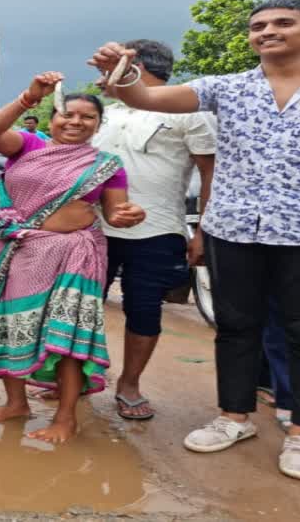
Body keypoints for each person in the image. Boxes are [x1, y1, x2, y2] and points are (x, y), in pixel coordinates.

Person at [91, 0, 300, 479]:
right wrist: (122, 72)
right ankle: (233, 416)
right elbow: (147, 98)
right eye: (258, 25)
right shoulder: (226, 88)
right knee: (236, 328)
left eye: (283, 23)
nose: (267, 31)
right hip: (235, 228)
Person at [0, 74, 144, 444]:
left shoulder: (107, 165)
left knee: (67, 337)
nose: (76, 122)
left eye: (87, 117)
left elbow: (115, 213)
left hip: (76, 257)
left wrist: (128, 215)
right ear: (52, 119)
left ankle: (66, 418)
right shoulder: (29, 146)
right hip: (23, 252)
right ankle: (16, 403)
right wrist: (28, 96)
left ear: (99, 125)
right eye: (68, 114)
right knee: (12, 324)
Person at [89, 39, 216, 420]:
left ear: (134, 66)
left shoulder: (188, 111)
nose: (101, 74)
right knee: (81, 305)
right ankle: (76, 376)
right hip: (92, 228)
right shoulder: (104, 113)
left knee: (143, 311)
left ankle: (129, 384)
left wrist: (202, 233)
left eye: (110, 66)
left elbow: (211, 173)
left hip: (157, 231)